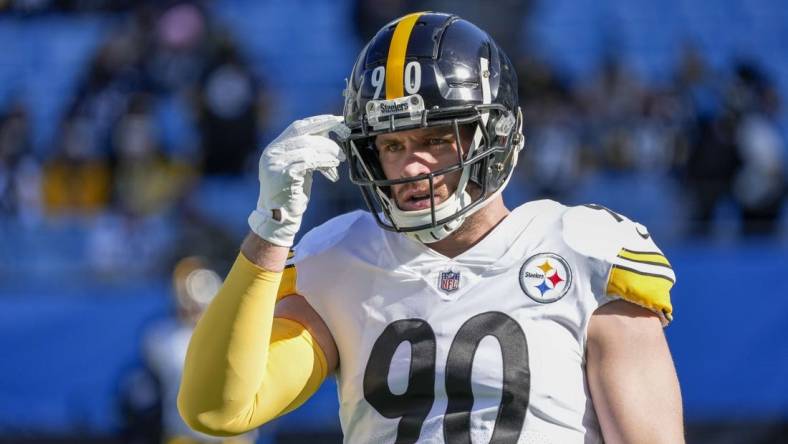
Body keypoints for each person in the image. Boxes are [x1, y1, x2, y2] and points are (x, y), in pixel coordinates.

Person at [178, 12, 684, 444]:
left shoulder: (582, 252)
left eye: (436, 139)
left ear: (498, 135)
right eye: (393, 146)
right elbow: (218, 408)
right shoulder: (340, 260)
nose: (412, 167)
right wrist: (271, 225)